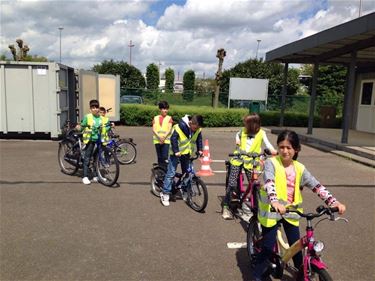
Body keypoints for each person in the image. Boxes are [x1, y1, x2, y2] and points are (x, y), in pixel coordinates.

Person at [252, 130, 346, 281]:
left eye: (289, 148)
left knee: (297, 248)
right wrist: (274, 201)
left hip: (292, 212)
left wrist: (334, 202)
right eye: (281, 147)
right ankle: (257, 275)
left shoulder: (300, 168)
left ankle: (301, 274)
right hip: (271, 211)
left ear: (296, 149)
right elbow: (269, 182)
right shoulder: (271, 163)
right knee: (268, 247)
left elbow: (317, 186)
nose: (285, 151)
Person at [222, 113, 277, 220]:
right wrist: (237, 140)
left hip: (252, 161)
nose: (244, 124)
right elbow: (237, 134)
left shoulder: (261, 133)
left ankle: (257, 207)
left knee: (254, 184)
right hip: (238, 159)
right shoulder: (242, 131)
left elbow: (268, 144)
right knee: (232, 183)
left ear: (252, 124)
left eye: (246, 123)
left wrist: (274, 151)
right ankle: (226, 206)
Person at [160, 114, 204, 207]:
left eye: (197, 128)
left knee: (187, 173)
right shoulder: (179, 127)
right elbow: (173, 139)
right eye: (194, 128)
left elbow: (199, 139)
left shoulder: (198, 129)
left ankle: (185, 190)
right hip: (176, 153)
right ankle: (165, 194)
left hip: (187, 153)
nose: (195, 130)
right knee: (171, 173)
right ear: (190, 123)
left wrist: (200, 149)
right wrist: (176, 151)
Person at [75, 99, 107, 185]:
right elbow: (82, 125)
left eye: (97, 107)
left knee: (97, 159)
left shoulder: (101, 118)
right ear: (90, 109)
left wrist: (110, 125)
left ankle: (96, 175)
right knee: (87, 158)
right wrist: (79, 127)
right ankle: (85, 176)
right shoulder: (88, 117)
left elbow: (105, 126)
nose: (95, 109)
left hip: (98, 140)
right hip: (90, 140)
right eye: (93, 107)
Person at [152, 101, 173, 168]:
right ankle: (160, 172)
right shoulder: (155, 118)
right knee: (159, 157)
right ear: (160, 109)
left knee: (165, 157)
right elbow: (154, 129)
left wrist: (163, 138)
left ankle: (165, 171)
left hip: (166, 141)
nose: (165, 110)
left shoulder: (169, 118)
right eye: (164, 109)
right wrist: (159, 138)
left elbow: (169, 129)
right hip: (157, 140)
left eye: (166, 109)